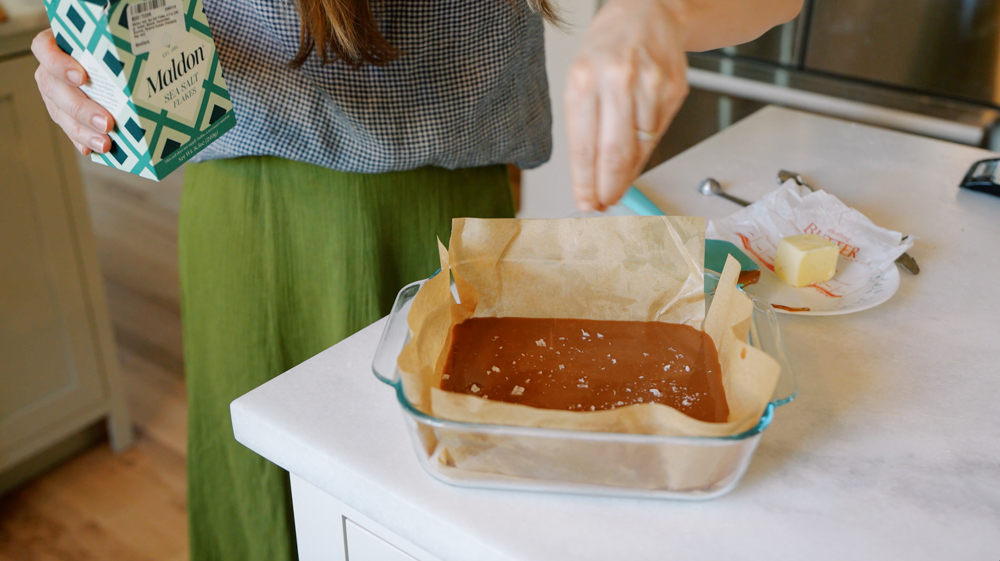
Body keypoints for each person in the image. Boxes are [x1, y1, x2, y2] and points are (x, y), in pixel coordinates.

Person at [32, 0, 801, 559]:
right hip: (250, 213)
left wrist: (656, 11)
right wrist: (77, 52)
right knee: (266, 515)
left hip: (454, 206)